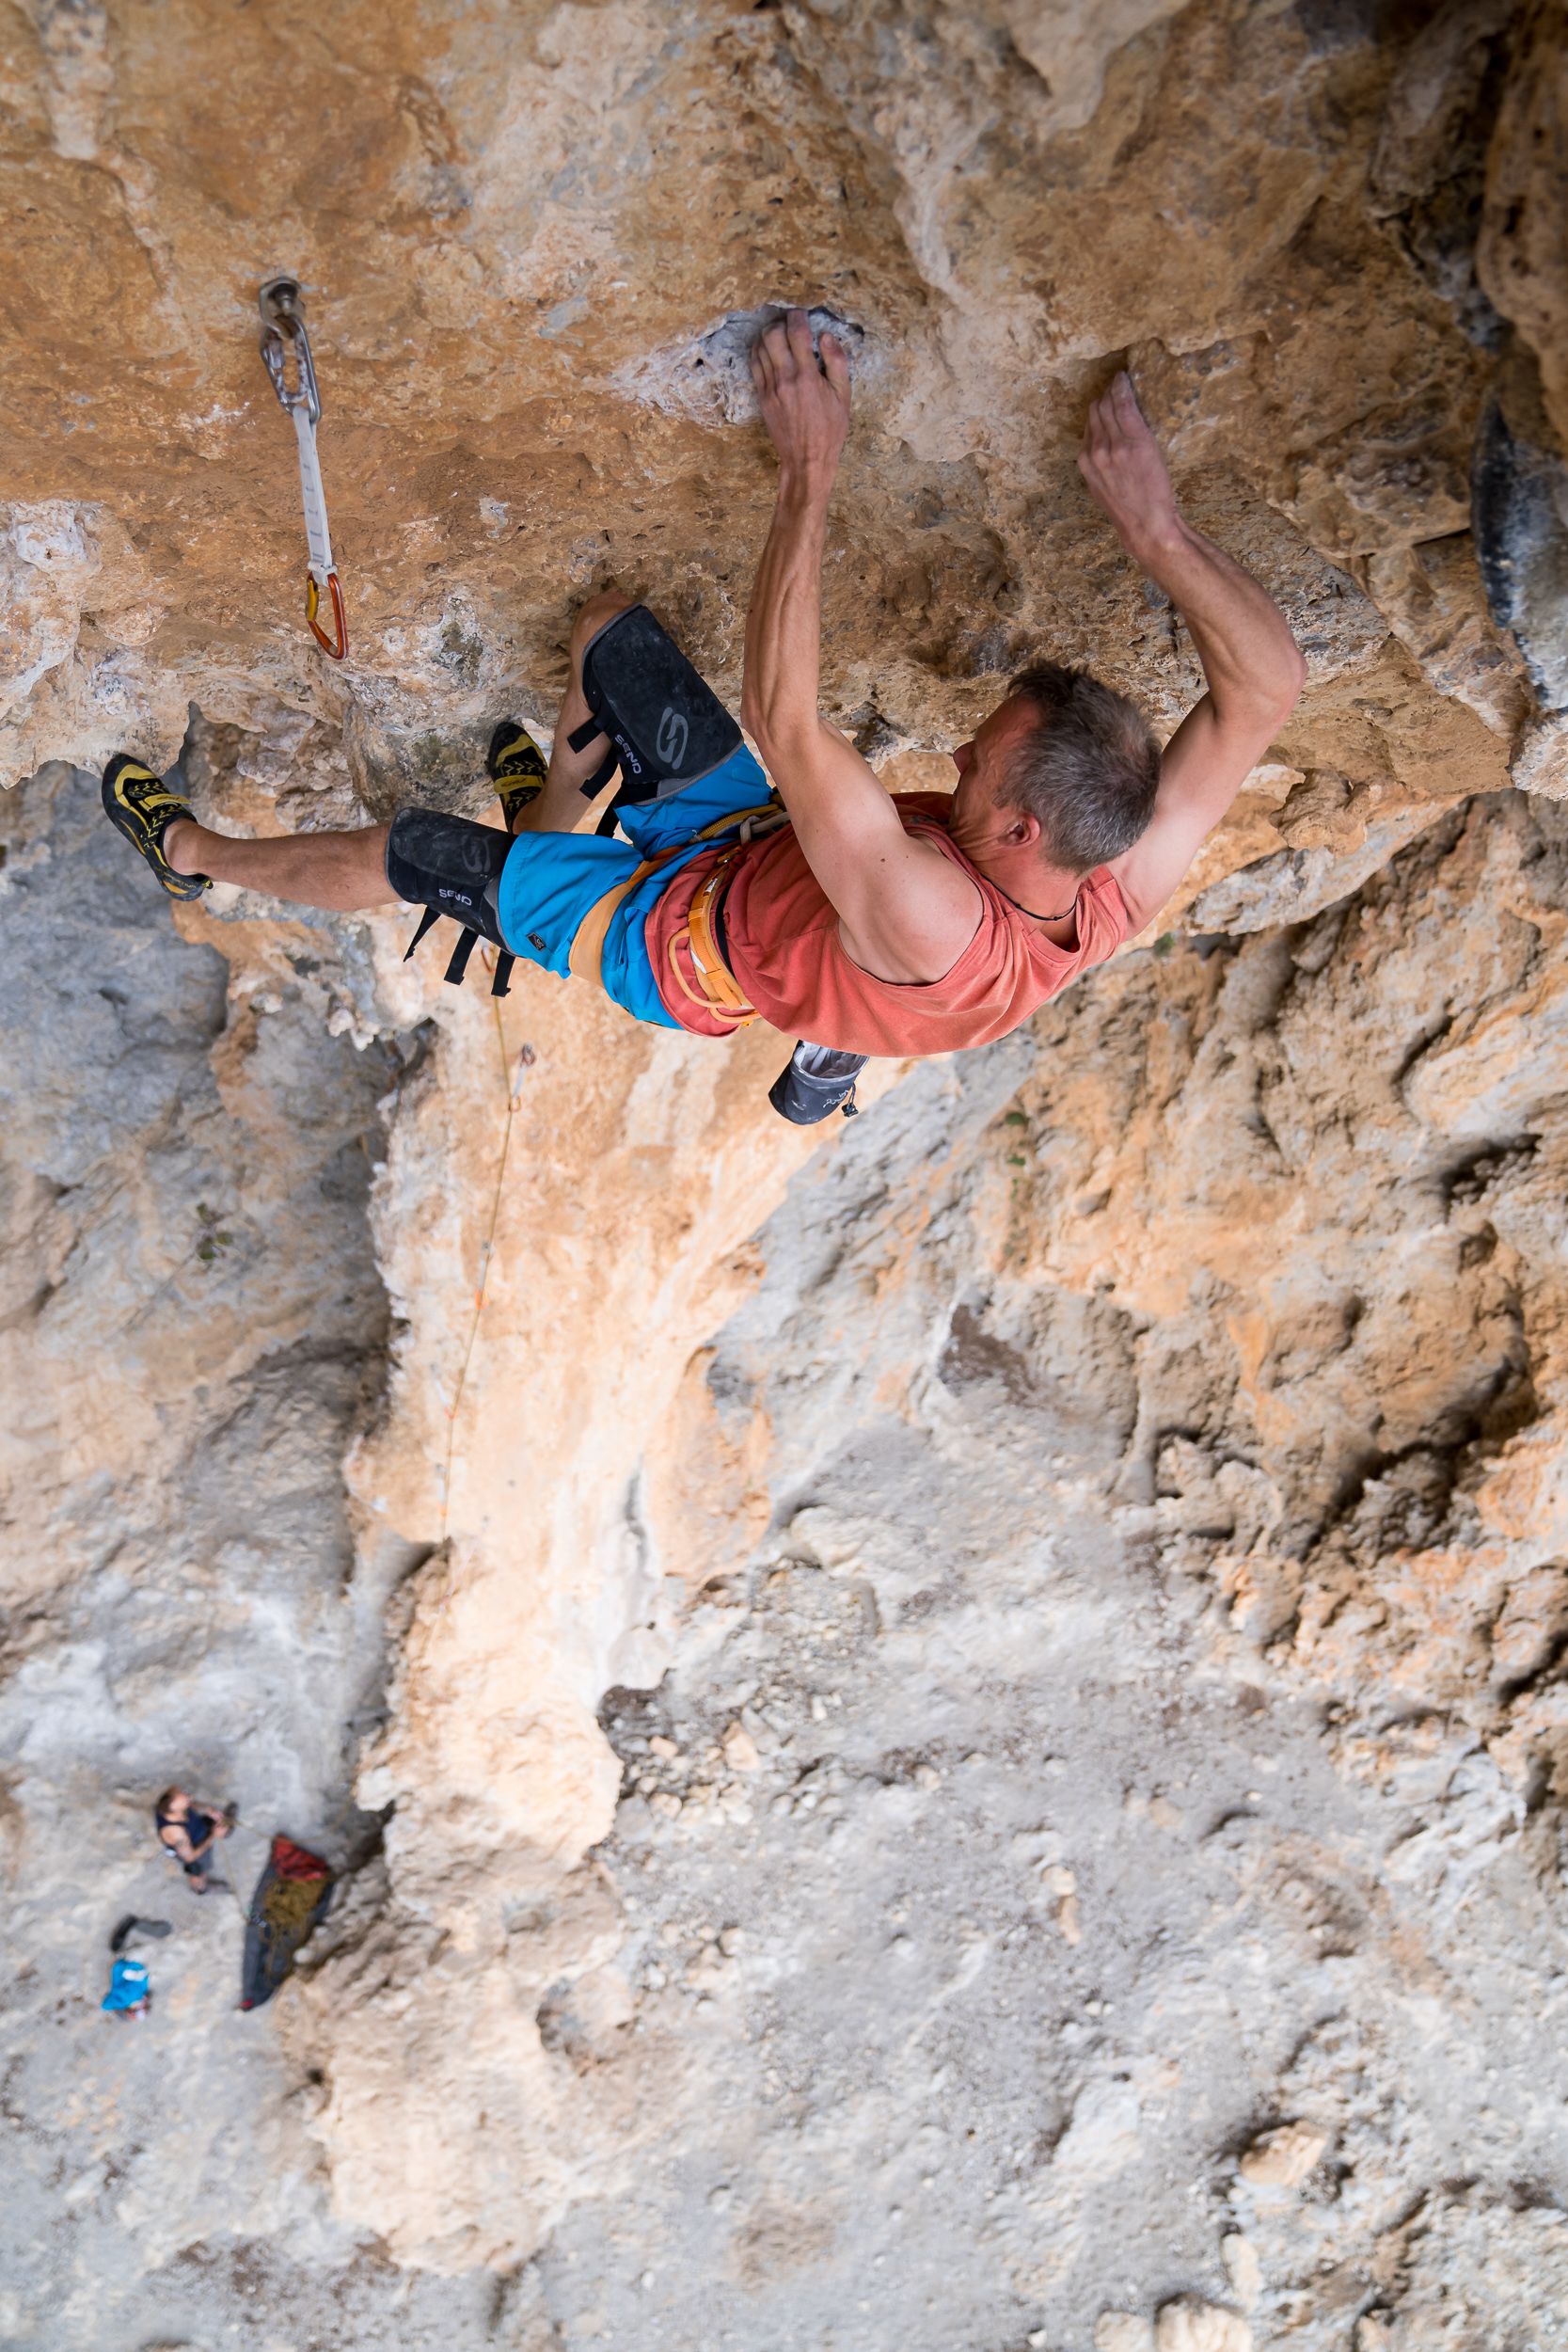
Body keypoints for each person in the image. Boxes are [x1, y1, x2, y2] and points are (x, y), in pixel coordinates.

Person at [99, 313, 1307, 1107]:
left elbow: (790, 722)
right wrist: (1156, 527)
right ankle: (793, 992)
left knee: (409, 852)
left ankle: (191, 854)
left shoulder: (935, 914)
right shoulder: (1109, 882)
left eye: (978, 763)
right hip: (770, 862)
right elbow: (1266, 688)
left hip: (669, 941)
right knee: (609, 635)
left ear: (1021, 834)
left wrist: (810, 468)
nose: (952, 750)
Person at [152, 1786, 231, 1895]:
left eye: (185, 1795)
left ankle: (224, 1827)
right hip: (195, 1848)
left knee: (212, 1823)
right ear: (176, 1810)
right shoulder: (175, 1833)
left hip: (198, 1828)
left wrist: (209, 1810)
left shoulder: (171, 1803)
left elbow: (190, 1803)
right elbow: (190, 1858)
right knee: (198, 1870)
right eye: (185, 1799)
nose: (190, 1797)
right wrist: (213, 1835)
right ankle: (200, 1888)